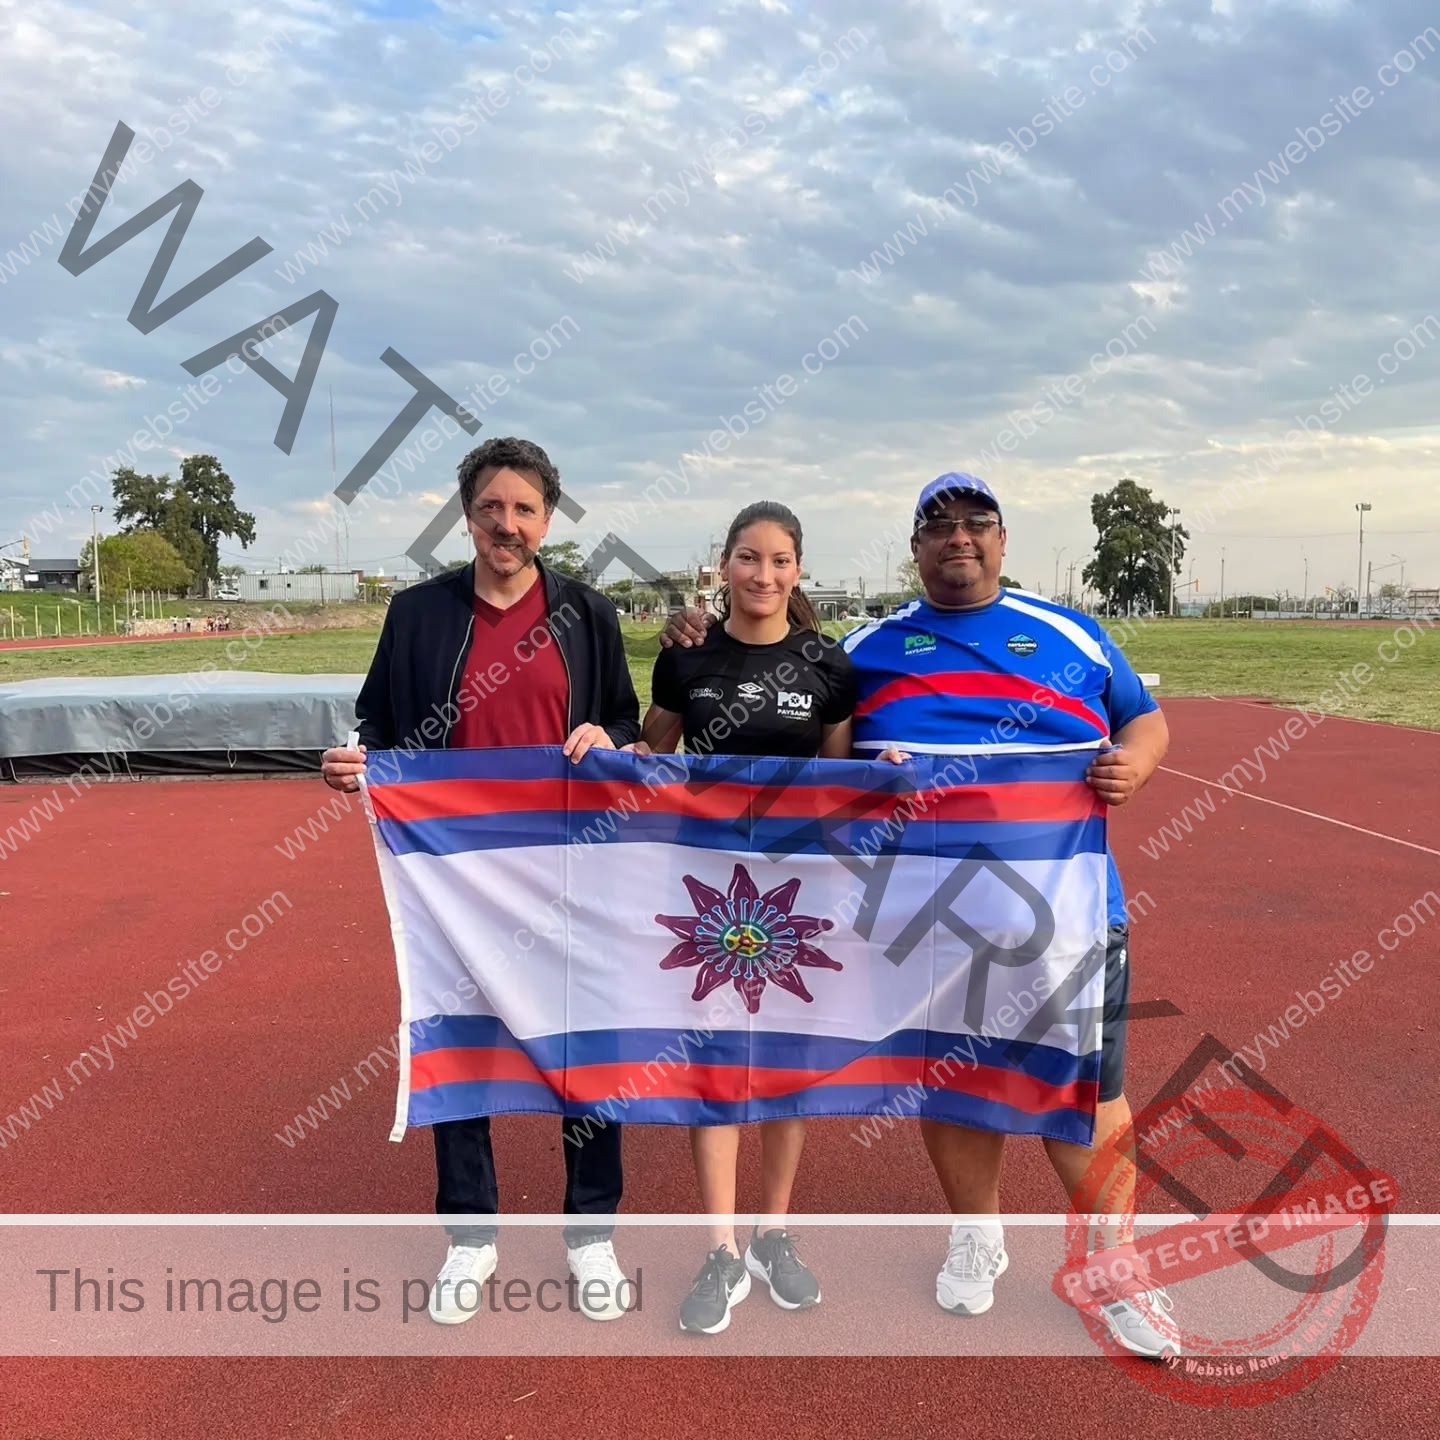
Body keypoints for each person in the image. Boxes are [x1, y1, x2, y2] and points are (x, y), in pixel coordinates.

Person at [662, 473, 1175, 1356]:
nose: (959, 538)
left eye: (977, 523)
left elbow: (1146, 721)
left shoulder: (1071, 633)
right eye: (939, 526)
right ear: (916, 548)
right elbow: (788, 714)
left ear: (1003, 539)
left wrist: (1136, 762)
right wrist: (701, 634)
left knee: (1090, 1095)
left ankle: (1117, 1269)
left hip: (1066, 915)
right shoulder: (865, 648)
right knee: (955, 1078)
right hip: (925, 920)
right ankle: (977, 1237)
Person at [321, 436, 641, 1326]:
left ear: (547, 519)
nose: (508, 524)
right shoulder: (418, 613)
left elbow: (618, 716)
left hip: (575, 869)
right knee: (459, 1041)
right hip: (456, 879)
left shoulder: (587, 613)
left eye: (526, 509)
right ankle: (471, 1235)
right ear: (467, 515)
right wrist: (358, 767)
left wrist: (610, 739)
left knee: (586, 1045)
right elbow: (377, 722)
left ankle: (591, 1235)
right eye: (492, 508)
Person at [640, 501, 856, 1336]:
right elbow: (649, 755)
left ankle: (773, 1232)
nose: (763, 575)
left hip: (798, 894)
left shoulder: (829, 666)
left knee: (788, 1065)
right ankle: (722, 1247)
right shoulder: (688, 658)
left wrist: (891, 775)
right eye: (747, 558)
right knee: (718, 1060)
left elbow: (842, 793)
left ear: (798, 571)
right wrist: (601, 745)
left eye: (779, 561)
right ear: (723, 565)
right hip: (706, 891)